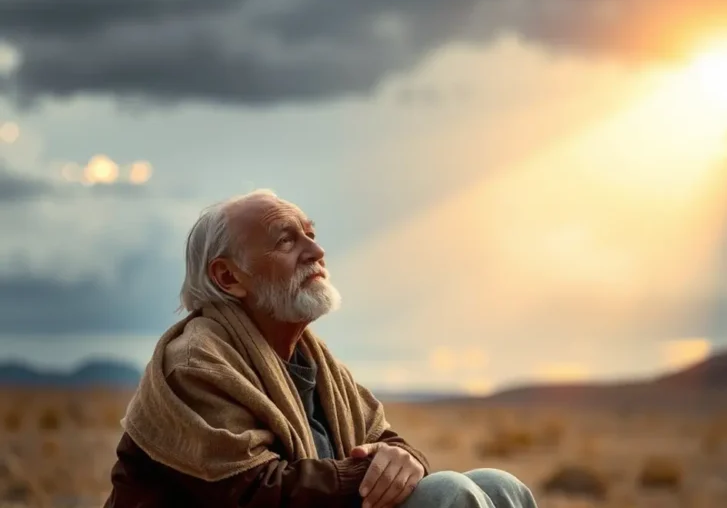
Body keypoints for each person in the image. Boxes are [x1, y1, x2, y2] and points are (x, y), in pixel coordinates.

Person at [104, 189, 538, 508]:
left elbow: (385, 442)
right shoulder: (197, 362)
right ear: (228, 278)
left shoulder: (313, 359)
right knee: (448, 495)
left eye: (310, 234)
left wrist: (403, 460)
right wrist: (370, 471)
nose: (317, 250)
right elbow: (254, 490)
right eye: (286, 241)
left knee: (501, 486)